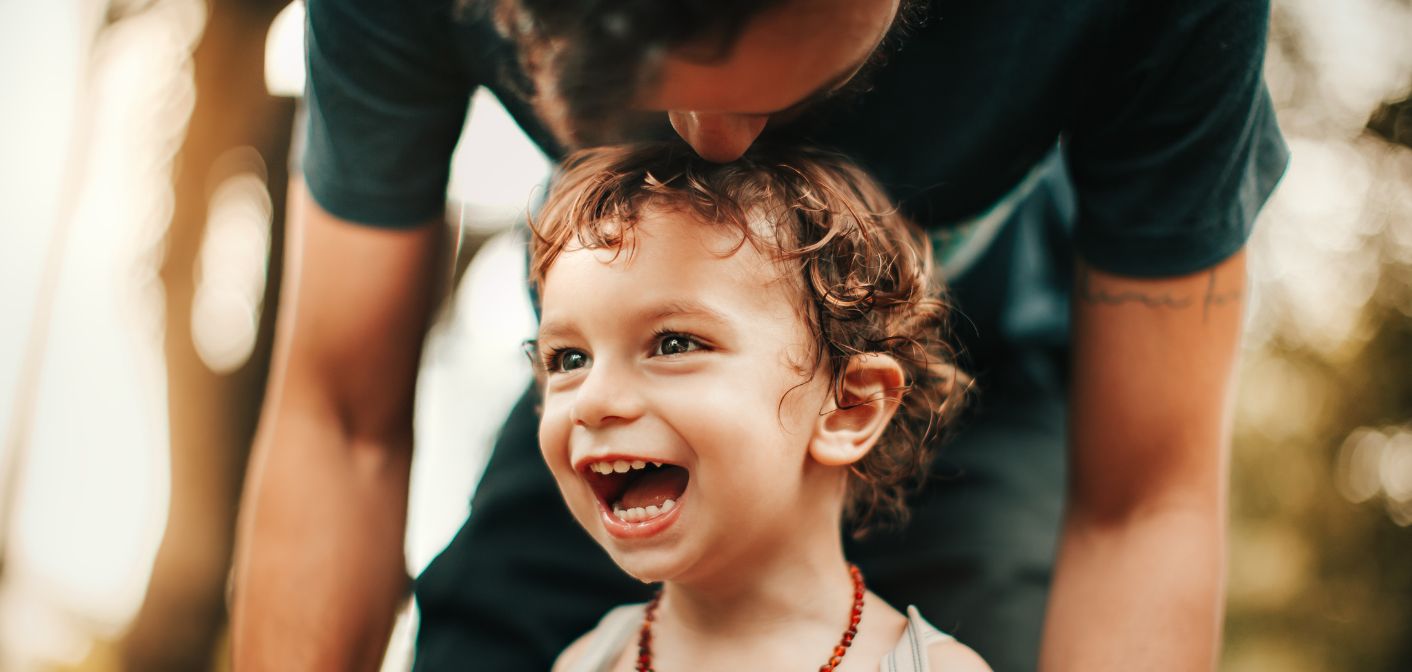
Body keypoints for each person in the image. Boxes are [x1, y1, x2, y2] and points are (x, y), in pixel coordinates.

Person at [229, 0, 1289, 670]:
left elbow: (1142, 502)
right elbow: (341, 421)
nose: (714, 146)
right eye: (647, 97)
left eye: (775, 82)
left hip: (993, 384)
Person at [528, 142, 986, 672]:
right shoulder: (589, 662)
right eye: (569, 358)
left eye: (675, 344)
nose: (592, 400)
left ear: (849, 408)